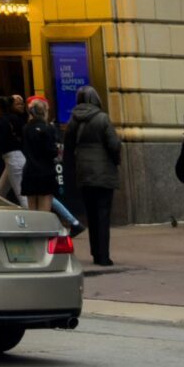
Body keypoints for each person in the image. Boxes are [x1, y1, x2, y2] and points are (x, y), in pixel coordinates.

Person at [64, 84, 122, 267]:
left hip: (84, 172)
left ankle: (95, 252)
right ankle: (103, 255)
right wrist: (115, 160)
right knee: (103, 214)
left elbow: (68, 149)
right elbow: (114, 144)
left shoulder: (73, 120)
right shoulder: (102, 118)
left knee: (91, 214)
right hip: (103, 172)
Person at [20, 95, 62, 214]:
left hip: (29, 172)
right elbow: (51, 152)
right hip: (45, 173)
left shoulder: (25, 128)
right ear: (44, 111)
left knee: (32, 212)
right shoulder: (48, 128)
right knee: (44, 213)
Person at [0, 96, 28, 199]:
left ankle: (33, 215)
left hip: (12, 160)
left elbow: (0, 143)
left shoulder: (2, 122)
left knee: (22, 196)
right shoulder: (17, 119)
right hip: (17, 158)